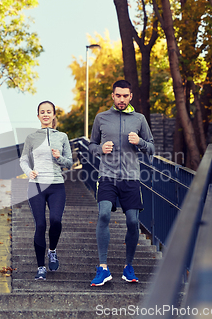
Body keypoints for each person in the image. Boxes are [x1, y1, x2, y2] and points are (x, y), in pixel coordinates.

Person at [89, 80, 155, 286]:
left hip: (131, 178)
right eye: (118, 96)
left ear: (130, 97)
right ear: (112, 96)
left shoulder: (140, 119)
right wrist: (101, 149)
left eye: (125, 96)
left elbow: (152, 148)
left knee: (133, 222)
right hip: (107, 176)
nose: (121, 100)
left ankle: (128, 267)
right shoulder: (101, 118)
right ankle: (103, 268)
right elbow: (91, 145)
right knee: (104, 214)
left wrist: (141, 143)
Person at [20, 101, 73, 280]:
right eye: (42, 112)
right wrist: (29, 172)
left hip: (57, 185)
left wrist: (59, 157)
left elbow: (69, 162)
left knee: (56, 221)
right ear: (38, 116)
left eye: (48, 112)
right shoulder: (31, 137)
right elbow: (23, 160)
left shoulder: (62, 137)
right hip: (36, 185)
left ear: (53, 115)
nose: (45, 114)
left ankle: (52, 251)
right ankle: (41, 267)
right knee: (40, 225)